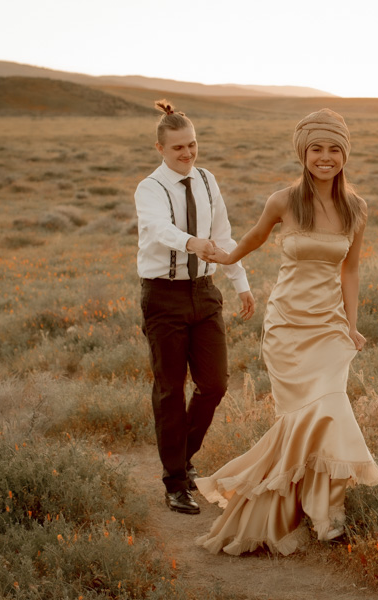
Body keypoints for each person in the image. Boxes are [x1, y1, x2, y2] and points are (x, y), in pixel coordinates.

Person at [194, 108, 378, 555]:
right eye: (317, 148)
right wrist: (227, 257)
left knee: (331, 409)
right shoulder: (283, 201)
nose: (325, 157)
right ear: (303, 153)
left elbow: (351, 270)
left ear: (345, 154)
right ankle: (310, 510)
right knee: (301, 418)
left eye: (334, 149)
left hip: (328, 327)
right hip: (287, 327)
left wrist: (351, 325)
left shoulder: (356, 207)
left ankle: (327, 512)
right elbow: (256, 237)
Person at [134, 99, 255, 515]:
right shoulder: (150, 188)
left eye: (192, 144)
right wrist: (191, 243)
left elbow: (223, 233)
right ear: (160, 149)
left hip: (204, 292)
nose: (187, 153)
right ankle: (175, 482)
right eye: (178, 147)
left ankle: (182, 458)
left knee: (214, 385)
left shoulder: (206, 180)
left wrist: (240, 282)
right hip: (163, 297)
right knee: (170, 390)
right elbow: (157, 228)